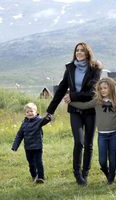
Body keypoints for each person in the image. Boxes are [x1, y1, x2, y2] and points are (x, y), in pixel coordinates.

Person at [46, 42, 103, 185]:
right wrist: (50, 110)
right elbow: (61, 89)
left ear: (87, 53)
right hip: (75, 111)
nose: (79, 53)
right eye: (77, 50)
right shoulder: (70, 68)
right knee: (79, 142)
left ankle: (85, 173)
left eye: (82, 50)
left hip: (90, 111)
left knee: (89, 143)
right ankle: (77, 174)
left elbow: (91, 93)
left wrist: (72, 96)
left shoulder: (95, 69)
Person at [69, 78, 116, 184]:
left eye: (105, 88)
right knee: (102, 160)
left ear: (111, 88)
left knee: (112, 157)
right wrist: (71, 102)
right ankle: (106, 171)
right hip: (102, 135)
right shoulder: (97, 101)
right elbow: (84, 106)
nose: (103, 90)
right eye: (100, 89)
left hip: (114, 134)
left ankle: (111, 178)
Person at [11, 102, 52, 184]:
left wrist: (48, 117)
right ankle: (34, 176)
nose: (30, 113)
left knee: (39, 162)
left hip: (37, 147)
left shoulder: (39, 121)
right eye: (27, 112)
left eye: (31, 111)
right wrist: (15, 146)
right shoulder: (24, 124)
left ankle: (41, 177)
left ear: (36, 112)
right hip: (28, 148)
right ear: (25, 114)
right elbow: (19, 135)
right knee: (31, 164)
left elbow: (45, 120)